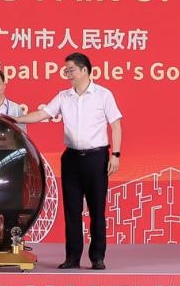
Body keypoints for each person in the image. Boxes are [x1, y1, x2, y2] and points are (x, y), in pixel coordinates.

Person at [17, 52, 123, 270]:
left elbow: (116, 125)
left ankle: (97, 257)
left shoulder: (103, 95)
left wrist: (116, 154)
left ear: (84, 70)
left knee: (96, 210)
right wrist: (15, 119)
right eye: (66, 71)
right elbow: (42, 114)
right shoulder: (64, 96)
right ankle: (72, 257)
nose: (68, 74)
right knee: (72, 211)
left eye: (71, 70)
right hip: (72, 158)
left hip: (96, 158)